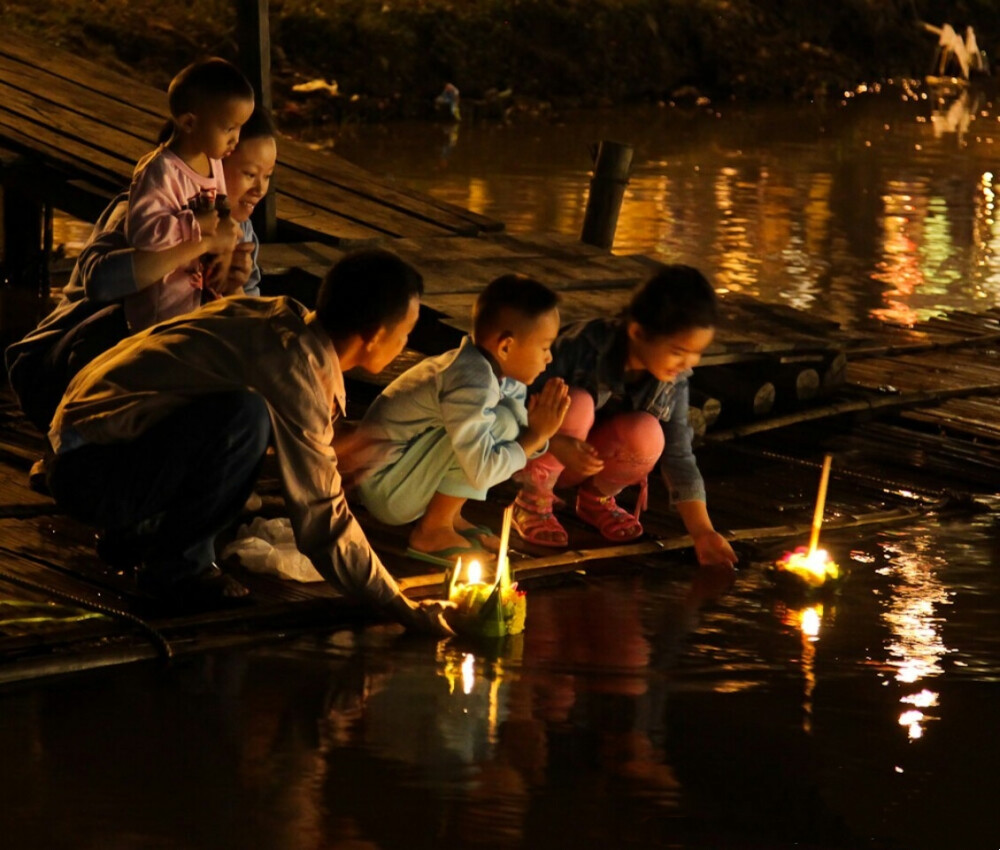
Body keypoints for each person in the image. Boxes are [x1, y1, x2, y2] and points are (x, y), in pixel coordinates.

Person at [45, 249, 453, 633]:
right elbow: (321, 519)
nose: (407, 345)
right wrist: (398, 603)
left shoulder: (275, 320)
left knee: (247, 421)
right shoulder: (293, 365)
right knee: (245, 416)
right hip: (90, 474)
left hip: (92, 454)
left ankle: (140, 535)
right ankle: (177, 570)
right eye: (406, 333)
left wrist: (324, 457)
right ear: (376, 335)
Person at [5, 105, 277, 437]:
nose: (260, 189)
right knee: (120, 326)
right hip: (61, 369)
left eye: (268, 176)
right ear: (211, 167)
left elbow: (245, 329)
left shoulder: (242, 233)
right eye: (249, 174)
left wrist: (232, 287)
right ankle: (73, 451)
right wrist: (201, 243)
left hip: (159, 376)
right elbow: (101, 284)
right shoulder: (143, 213)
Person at [511, 265, 737, 569]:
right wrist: (553, 442)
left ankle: (596, 500)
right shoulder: (581, 347)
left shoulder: (673, 380)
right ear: (638, 332)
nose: (686, 363)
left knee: (648, 432)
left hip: (590, 462)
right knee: (575, 402)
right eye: (678, 351)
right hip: (535, 451)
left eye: (695, 354)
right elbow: (512, 406)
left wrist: (703, 532)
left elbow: (679, 456)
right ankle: (533, 500)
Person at [353, 274, 571, 567]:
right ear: (505, 347)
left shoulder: (501, 376)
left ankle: (449, 517)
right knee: (500, 424)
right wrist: (536, 436)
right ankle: (433, 530)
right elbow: (483, 470)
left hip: (407, 478)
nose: (548, 359)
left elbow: (513, 441)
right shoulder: (469, 381)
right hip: (385, 486)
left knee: (504, 421)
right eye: (544, 347)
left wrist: (537, 431)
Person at [122, 57, 255, 331]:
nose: (236, 139)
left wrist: (226, 252)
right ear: (190, 123)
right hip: (162, 316)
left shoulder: (213, 162)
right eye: (229, 128)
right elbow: (143, 233)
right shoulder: (160, 172)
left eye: (240, 128)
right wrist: (195, 224)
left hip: (198, 307)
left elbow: (222, 215)